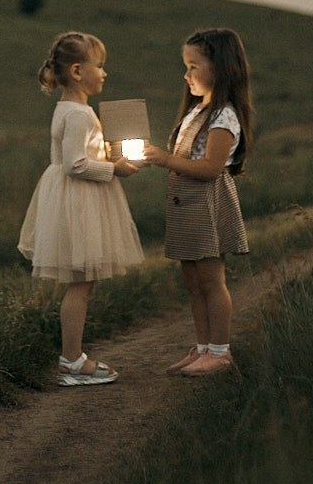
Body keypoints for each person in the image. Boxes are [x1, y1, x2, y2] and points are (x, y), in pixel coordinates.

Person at [18, 31, 143, 385]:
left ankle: (72, 358)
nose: (104, 73)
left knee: (82, 283)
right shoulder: (79, 115)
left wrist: (110, 154)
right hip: (78, 199)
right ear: (76, 71)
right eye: (99, 66)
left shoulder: (72, 110)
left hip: (74, 198)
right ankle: (71, 361)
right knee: (81, 284)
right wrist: (113, 169)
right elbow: (75, 165)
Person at [140, 27, 253, 377]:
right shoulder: (197, 110)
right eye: (186, 66)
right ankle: (203, 347)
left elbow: (211, 168)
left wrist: (163, 159)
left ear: (219, 68)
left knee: (211, 280)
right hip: (185, 206)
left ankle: (220, 353)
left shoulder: (224, 116)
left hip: (207, 203)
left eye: (193, 66)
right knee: (193, 280)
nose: (186, 74)